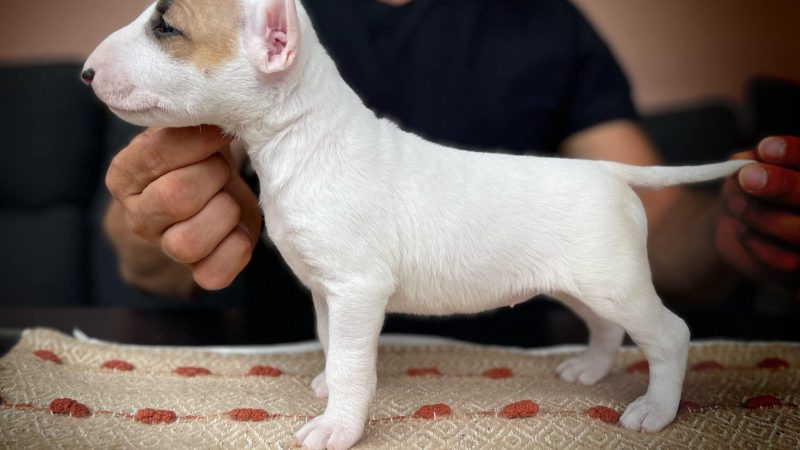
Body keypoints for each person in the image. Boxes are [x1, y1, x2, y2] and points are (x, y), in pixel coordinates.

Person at [103, 0, 799, 343]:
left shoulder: (547, 23)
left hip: (514, 386)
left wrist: (728, 227)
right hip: (286, 371)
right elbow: (145, 236)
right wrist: (158, 229)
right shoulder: (247, 15)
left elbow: (650, 227)